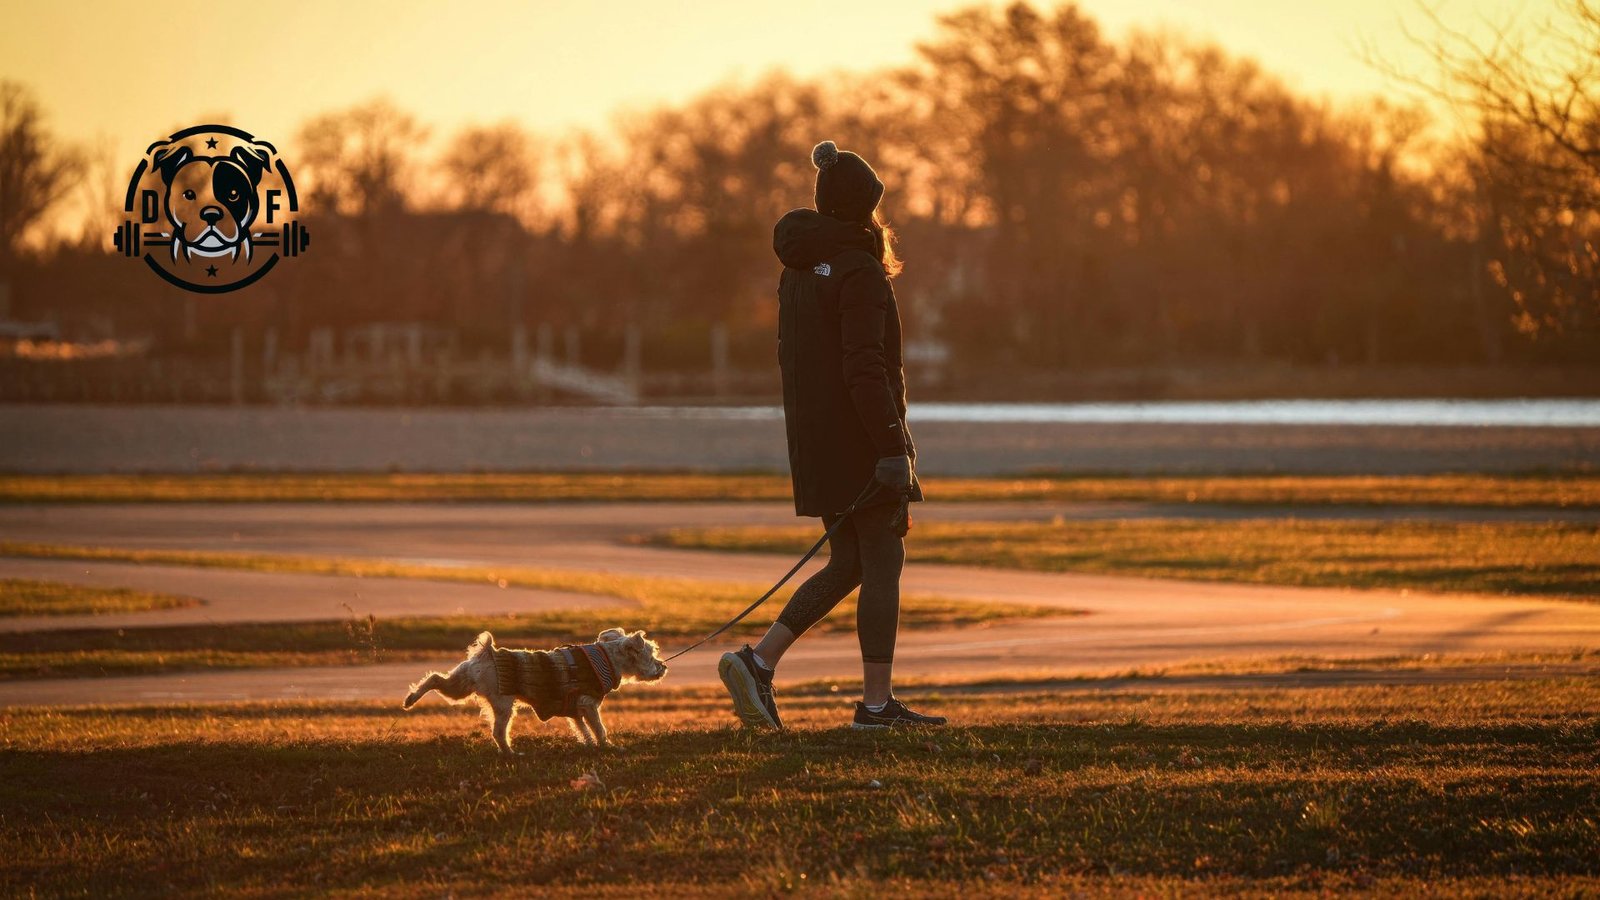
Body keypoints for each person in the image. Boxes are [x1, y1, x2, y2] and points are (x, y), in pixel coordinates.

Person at [719, 140, 947, 731]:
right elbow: (865, 369)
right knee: (883, 560)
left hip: (815, 444)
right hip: (862, 444)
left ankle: (758, 661)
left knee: (847, 562)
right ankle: (875, 707)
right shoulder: (859, 270)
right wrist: (894, 450)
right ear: (863, 209)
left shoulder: (797, 269)